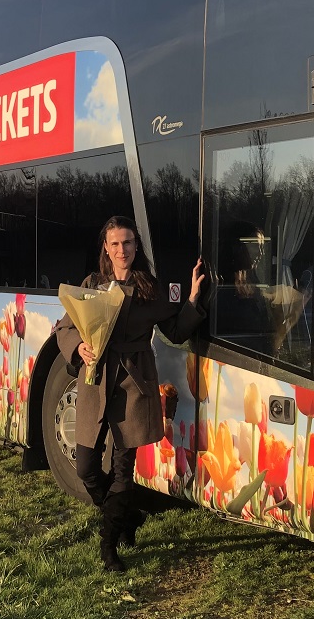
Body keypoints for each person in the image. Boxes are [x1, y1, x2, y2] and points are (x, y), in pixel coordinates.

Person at [53, 216, 206, 572]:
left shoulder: (149, 288)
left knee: (123, 469)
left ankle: (109, 546)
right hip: (96, 379)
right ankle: (128, 515)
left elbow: (176, 328)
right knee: (87, 467)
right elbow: (67, 326)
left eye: (129, 243)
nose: (123, 250)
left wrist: (194, 298)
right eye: (116, 244)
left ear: (137, 247)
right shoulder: (92, 284)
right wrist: (78, 348)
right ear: (106, 248)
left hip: (134, 384)